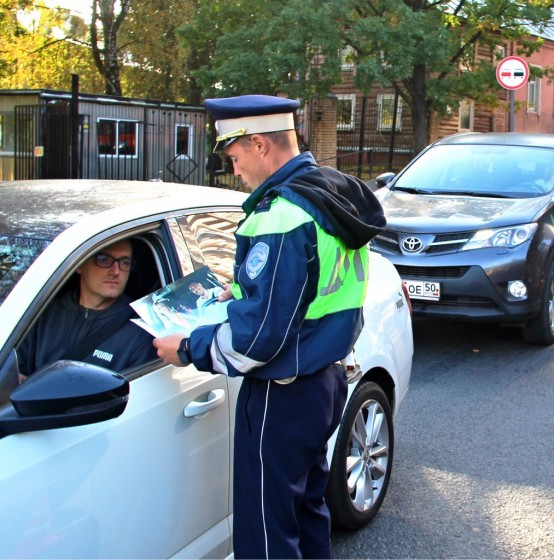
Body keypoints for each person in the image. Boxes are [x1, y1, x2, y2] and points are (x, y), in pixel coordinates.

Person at [153, 95, 386, 559]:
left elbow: (258, 338)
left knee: (266, 533)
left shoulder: (281, 214)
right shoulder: (332, 194)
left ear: (259, 144)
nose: (235, 171)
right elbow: (313, 290)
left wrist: (187, 348)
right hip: (325, 380)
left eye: (235, 158)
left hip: (282, 393)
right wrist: (240, 291)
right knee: (306, 511)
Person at [17, 239, 157, 379]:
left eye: (124, 262)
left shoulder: (141, 329)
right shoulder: (42, 312)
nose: (116, 271)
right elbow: (17, 371)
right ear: (80, 265)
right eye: (103, 260)